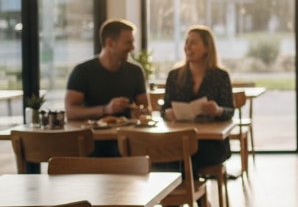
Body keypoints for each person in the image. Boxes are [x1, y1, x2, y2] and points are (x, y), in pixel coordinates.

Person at [66, 19, 150, 157]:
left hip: (128, 143)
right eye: (128, 42)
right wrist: (106, 109)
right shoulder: (82, 71)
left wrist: (138, 112)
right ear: (110, 43)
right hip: (93, 144)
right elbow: (70, 111)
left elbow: (145, 109)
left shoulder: (135, 71)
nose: (133, 47)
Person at [162, 25, 235, 172]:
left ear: (207, 48)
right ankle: (192, 193)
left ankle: (192, 194)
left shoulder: (220, 76)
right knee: (170, 157)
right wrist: (167, 113)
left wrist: (218, 110)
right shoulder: (174, 76)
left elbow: (230, 111)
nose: (187, 47)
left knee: (187, 159)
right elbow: (163, 109)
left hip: (212, 143)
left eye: (193, 43)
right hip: (180, 139)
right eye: (186, 42)